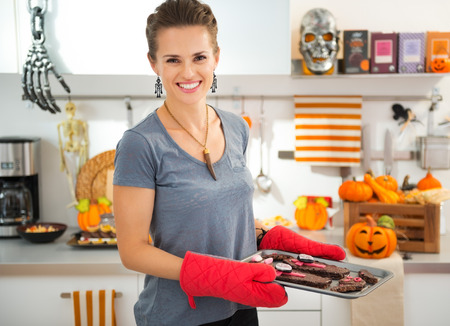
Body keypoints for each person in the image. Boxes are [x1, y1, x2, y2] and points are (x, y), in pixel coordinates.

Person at [113, 1, 345, 325]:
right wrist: (213, 275)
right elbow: (132, 250)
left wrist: (266, 237)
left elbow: (218, 215)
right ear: (154, 64)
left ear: (216, 58)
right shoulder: (140, 144)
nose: (189, 72)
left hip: (241, 307)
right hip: (178, 316)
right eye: (173, 60)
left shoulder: (237, 128)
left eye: (199, 57)